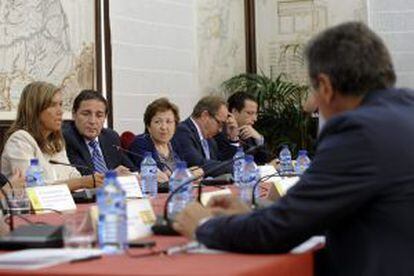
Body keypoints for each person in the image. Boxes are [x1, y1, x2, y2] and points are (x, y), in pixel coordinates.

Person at [172, 22, 414, 275]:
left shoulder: (358, 132)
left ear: (326, 86)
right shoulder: (405, 112)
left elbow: (279, 231)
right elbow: (337, 210)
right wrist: (256, 214)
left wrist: (205, 225)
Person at [1, 81, 101, 190]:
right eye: (53, 105)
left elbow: (73, 176)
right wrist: (81, 183)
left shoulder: (56, 142)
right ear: (35, 109)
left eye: (60, 105)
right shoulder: (19, 140)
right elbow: (32, 189)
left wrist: (97, 180)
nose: (60, 112)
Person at [128, 98, 203, 183]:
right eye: (158, 122)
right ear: (148, 126)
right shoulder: (141, 143)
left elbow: (184, 169)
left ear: (175, 125)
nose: (164, 127)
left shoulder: (176, 143)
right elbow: (160, 175)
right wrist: (188, 175)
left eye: (169, 122)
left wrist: (192, 173)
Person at [63, 90, 137, 176]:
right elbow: (83, 176)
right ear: (74, 114)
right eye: (86, 114)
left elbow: (132, 169)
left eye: (99, 115)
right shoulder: (67, 138)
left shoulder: (110, 137)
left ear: (105, 117)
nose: (92, 121)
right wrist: (111, 175)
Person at [171, 96, 233, 177]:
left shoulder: (210, 139)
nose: (220, 130)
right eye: (219, 123)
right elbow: (198, 164)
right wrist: (235, 167)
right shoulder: (182, 131)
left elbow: (218, 163)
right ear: (205, 115)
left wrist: (233, 138)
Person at [215, 92, 270, 164]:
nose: (255, 119)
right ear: (234, 111)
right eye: (249, 113)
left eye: (255, 114)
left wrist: (259, 138)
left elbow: (264, 161)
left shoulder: (248, 131)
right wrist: (233, 139)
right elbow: (227, 164)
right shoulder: (219, 132)